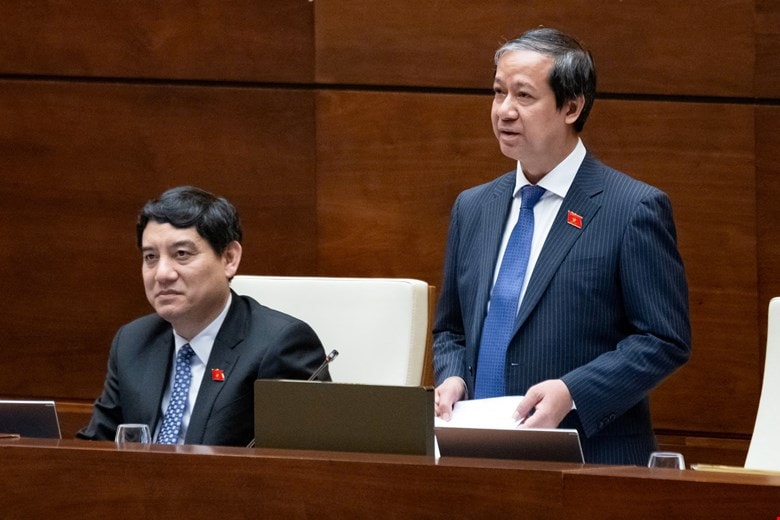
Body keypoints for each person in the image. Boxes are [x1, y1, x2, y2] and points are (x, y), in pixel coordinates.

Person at [433, 27, 691, 465]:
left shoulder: (632, 208)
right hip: (478, 458)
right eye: (498, 93)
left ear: (571, 107)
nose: (504, 111)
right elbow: (450, 329)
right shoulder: (473, 207)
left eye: (524, 96)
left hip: (589, 461)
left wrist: (573, 392)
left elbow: (664, 339)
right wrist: (453, 375)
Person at [78, 186, 329, 447]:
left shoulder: (281, 346)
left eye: (181, 254)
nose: (162, 274)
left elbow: (302, 462)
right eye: (150, 257)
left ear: (229, 259)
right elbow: (94, 447)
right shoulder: (133, 341)